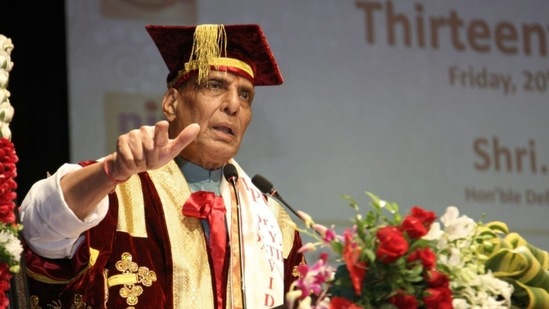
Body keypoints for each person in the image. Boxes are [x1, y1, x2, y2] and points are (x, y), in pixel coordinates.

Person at [19, 24, 306, 309]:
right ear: (171, 103)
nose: (233, 105)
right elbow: (38, 229)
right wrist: (111, 171)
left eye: (245, 95)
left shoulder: (275, 225)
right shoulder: (116, 191)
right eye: (214, 85)